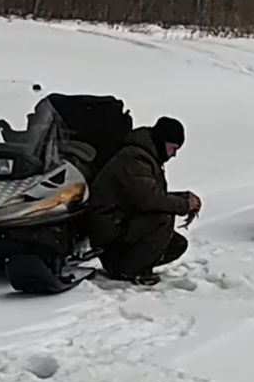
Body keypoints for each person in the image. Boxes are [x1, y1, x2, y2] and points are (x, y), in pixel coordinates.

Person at [84, 116, 201, 285]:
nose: (174, 154)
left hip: (121, 223)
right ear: (163, 142)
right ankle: (126, 268)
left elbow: (148, 193)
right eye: (173, 148)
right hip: (111, 229)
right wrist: (184, 204)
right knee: (163, 218)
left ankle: (134, 264)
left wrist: (183, 198)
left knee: (176, 244)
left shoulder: (146, 156)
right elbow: (149, 199)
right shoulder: (135, 158)